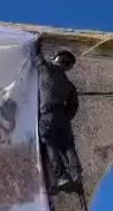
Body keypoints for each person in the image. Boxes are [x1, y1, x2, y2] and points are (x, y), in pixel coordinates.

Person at [34, 42, 82, 193]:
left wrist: (37, 41)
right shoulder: (69, 85)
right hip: (63, 116)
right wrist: (66, 117)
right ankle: (76, 174)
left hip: (47, 115)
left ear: (56, 59)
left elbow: (36, 56)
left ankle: (61, 176)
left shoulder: (46, 69)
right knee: (67, 146)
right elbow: (74, 105)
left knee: (50, 144)